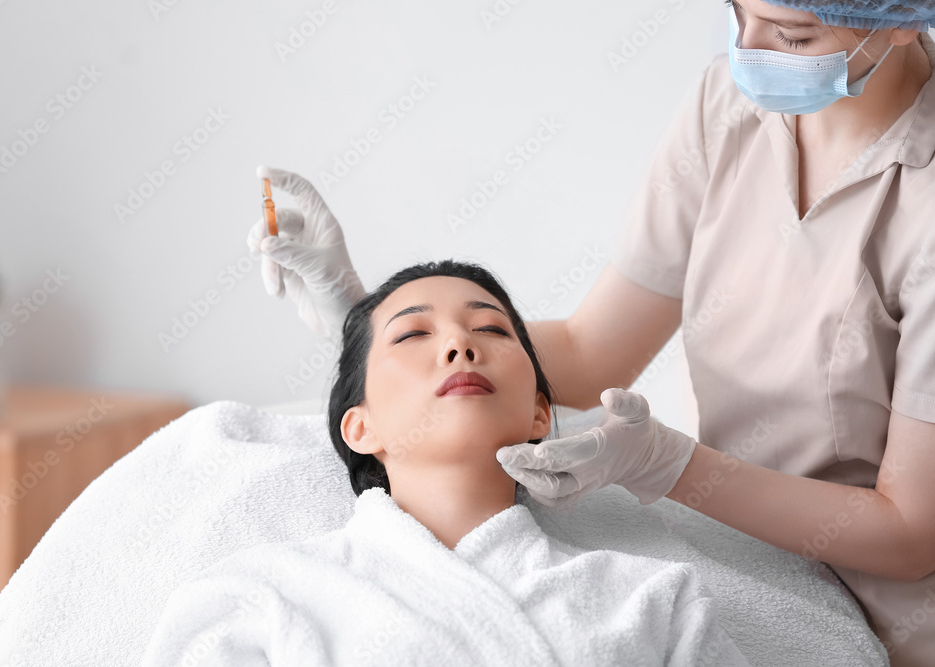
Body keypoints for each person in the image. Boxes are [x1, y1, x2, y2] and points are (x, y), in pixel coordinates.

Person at [247, 2, 935, 664]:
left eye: (790, 37)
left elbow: (911, 532)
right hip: (737, 551)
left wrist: (670, 465)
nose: (746, 52)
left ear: (901, 22)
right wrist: (368, 324)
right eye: (735, 10)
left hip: (881, 618)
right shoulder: (725, 107)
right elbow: (589, 351)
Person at [140, 260, 746, 666]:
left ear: (541, 414)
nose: (461, 344)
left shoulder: (651, 600)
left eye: (492, 329)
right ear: (360, 426)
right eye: (412, 336)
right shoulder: (260, 595)